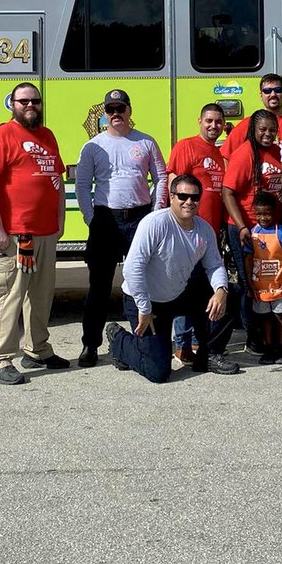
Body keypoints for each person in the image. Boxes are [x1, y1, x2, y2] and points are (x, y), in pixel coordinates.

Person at [105, 175, 240, 382]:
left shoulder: (203, 229)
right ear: (171, 196)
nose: (189, 202)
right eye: (183, 196)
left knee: (231, 295)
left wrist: (221, 290)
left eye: (194, 197)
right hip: (145, 301)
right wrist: (144, 308)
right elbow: (132, 269)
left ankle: (208, 355)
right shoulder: (154, 223)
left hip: (178, 294)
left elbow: (214, 265)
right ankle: (118, 340)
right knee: (158, 372)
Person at [0, 82, 68, 385]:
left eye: (35, 101)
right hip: (15, 233)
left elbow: (56, 179)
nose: (30, 105)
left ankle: (37, 350)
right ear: (12, 104)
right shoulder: (3, 135)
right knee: (9, 296)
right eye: (24, 101)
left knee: (41, 296)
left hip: (44, 232)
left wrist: (60, 221)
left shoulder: (47, 136)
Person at [74, 88, 167, 367]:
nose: (116, 114)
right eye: (111, 109)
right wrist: (91, 217)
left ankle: (148, 340)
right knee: (99, 287)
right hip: (105, 219)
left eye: (121, 108)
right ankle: (90, 345)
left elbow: (161, 177)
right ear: (105, 113)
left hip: (139, 217)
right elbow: (82, 185)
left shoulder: (146, 142)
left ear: (129, 111)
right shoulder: (93, 146)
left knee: (145, 282)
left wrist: (155, 212)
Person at [166, 103, 227, 364]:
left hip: (209, 233)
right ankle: (181, 343)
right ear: (199, 121)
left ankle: (194, 340)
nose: (214, 126)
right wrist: (177, 222)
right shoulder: (186, 146)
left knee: (200, 289)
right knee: (184, 287)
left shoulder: (219, 153)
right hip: (186, 231)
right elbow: (173, 183)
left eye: (218, 122)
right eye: (209, 121)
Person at [222, 109, 282, 355]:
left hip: (270, 230)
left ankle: (270, 332)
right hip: (246, 230)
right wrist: (241, 227)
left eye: (272, 129)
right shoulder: (244, 154)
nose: (268, 134)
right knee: (250, 284)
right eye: (263, 129)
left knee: (268, 281)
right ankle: (253, 335)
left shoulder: (277, 153)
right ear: (253, 130)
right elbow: (228, 192)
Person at [244, 191, 282, 364]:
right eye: (259, 213)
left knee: (281, 316)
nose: (263, 217)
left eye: (267, 213)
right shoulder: (252, 234)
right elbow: (248, 259)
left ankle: (281, 348)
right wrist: (250, 283)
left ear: (274, 212)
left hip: (280, 284)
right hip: (261, 287)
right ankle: (269, 348)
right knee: (265, 318)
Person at [221, 73, 282, 160]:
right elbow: (225, 156)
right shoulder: (250, 123)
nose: (273, 94)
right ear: (261, 96)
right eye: (267, 91)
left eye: (277, 90)